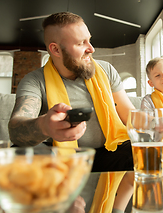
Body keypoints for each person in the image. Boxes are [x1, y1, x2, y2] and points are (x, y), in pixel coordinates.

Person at [8, 12, 135, 212]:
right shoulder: (34, 81)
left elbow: (130, 115)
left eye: (89, 40)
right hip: (59, 160)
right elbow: (16, 127)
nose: (91, 49)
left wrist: (159, 123)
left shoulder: (106, 70)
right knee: (18, 152)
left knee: (146, 153)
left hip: (108, 154)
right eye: (81, 43)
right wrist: (45, 126)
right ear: (56, 49)